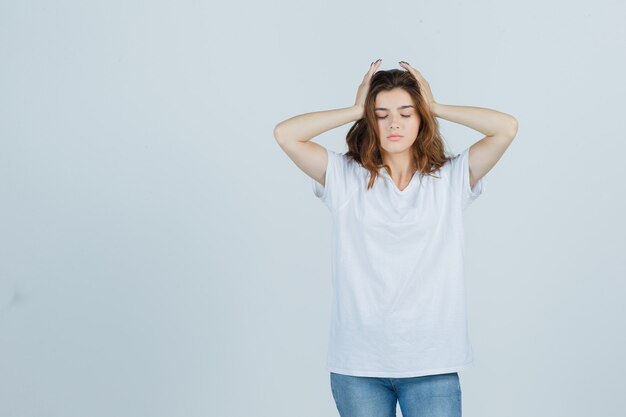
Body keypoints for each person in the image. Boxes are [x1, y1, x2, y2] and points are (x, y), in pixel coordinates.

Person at [273, 59, 518, 417]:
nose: (394, 123)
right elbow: (285, 134)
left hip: (432, 363)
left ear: (421, 119)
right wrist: (355, 109)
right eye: (381, 114)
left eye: (406, 112)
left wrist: (436, 105)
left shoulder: (449, 180)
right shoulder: (344, 176)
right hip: (358, 366)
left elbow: (506, 128)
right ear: (370, 122)